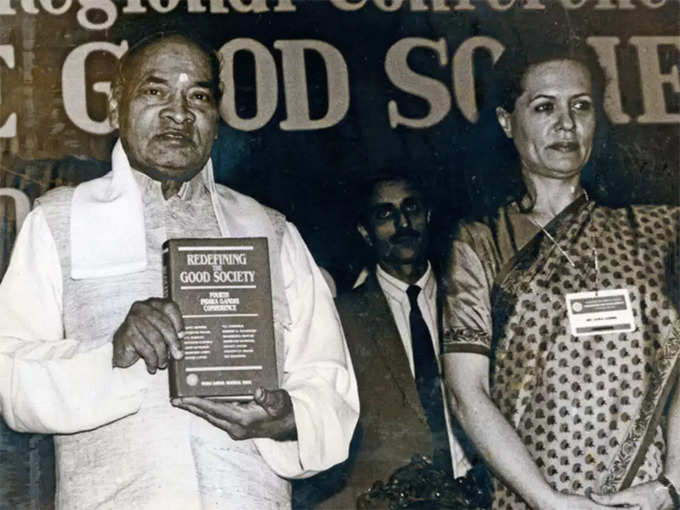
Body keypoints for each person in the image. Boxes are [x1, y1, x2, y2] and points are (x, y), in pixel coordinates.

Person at [0, 32, 359, 509]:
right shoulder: (59, 220)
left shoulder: (269, 230)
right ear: (115, 108)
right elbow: (10, 375)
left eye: (199, 96)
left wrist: (288, 416)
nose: (179, 112)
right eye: (155, 91)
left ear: (217, 120)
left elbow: (330, 383)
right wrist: (112, 354)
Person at [440, 38, 680, 510]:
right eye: (545, 107)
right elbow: (467, 393)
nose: (566, 124)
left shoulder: (660, 229)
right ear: (508, 122)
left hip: (650, 498)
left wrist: (672, 485)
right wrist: (551, 502)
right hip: (532, 499)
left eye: (581, 106)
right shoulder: (480, 241)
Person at [298, 175, 472, 509]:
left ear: (429, 215)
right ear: (365, 231)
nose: (403, 223)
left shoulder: (473, 302)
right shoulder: (340, 317)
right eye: (385, 214)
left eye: (412, 208)